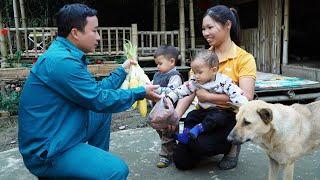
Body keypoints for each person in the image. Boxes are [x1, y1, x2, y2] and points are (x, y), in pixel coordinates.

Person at [18, 4, 160, 179]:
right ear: (75, 33)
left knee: (101, 114)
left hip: (62, 131)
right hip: (49, 150)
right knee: (117, 171)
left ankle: (91, 169)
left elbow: (93, 93)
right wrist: (139, 92)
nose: (98, 37)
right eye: (94, 31)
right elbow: (98, 99)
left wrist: (121, 71)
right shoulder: (62, 62)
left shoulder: (66, 54)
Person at [171, 5, 257, 170]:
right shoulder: (202, 59)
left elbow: (247, 97)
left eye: (210, 27)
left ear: (227, 25)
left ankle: (232, 146)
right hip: (203, 114)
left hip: (227, 116)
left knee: (202, 146)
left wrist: (209, 97)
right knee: (180, 160)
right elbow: (190, 90)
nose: (205, 33)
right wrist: (175, 115)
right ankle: (199, 140)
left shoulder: (244, 59)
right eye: (203, 29)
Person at [166, 49, 248, 143]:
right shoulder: (195, 81)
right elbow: (182, 89)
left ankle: (198, 129)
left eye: (199, 72)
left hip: (219, 110)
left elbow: (236, 93)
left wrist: (244, 106)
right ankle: (186, 135)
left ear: (213, 70)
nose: (196, 75)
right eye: (194, 72)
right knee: (191, 116)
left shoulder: (224, 81)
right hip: (202, 110)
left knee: (217, 117)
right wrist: (170, 97)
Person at [151, 45, 183, 168]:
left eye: (160, 63)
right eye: (156, 64)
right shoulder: (157, 74)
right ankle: (174, 149)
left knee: (167, 134)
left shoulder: (175, 76)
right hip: (158, 111)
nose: (157, 66)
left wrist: (156, 89)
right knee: (162, 132)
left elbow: (171, 91)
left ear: (171, 61)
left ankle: (165, 156)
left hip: (169, 112)